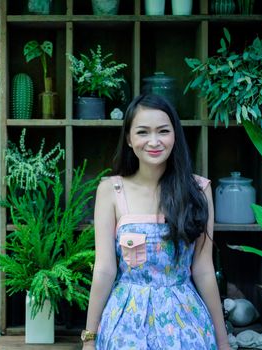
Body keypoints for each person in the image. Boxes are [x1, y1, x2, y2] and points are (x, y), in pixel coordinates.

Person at [80, 94, 230, 349]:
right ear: (129, 138)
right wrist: (89, 338)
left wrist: (223, 342)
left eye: (163, 131)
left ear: (175, 135)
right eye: (142, 132)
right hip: (126, 325)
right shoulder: (110, 190)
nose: (154, 141)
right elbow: (105, 270)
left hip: (186, 324)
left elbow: (203, 270)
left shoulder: (198, 189)